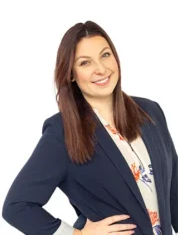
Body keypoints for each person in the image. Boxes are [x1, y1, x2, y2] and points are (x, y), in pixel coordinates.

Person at [2, 21, 178, 235]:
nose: (101, 69)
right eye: (85, 63)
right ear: (72, 73)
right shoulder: (63, 131)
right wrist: (78, 234)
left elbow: (174, 190)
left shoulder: (150, 112)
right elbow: (17, 207)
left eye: (105, 55)